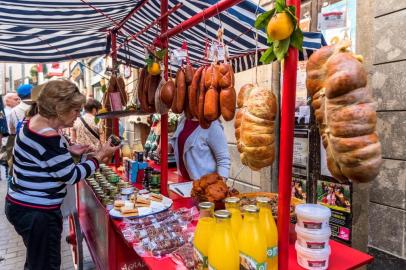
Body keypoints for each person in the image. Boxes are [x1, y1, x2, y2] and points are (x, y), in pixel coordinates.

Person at [4, 79, 119, 270]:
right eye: (75, 110)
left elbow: (43, 158)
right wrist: (99, 157)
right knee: (45, 265)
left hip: (22, 206)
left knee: (36, 262)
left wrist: (69, 151)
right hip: (38, 214)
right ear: (59, 108)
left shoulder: (32, 122)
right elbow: (72, 175)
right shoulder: (49, 136)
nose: (77, 115)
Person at [169, 116, 230, 181]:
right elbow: (178, 142)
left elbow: (223, 160)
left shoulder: (213, 126)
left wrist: (220, 186)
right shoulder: (184, 119)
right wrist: (168, 145)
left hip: (204, 186)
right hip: (183, 182)